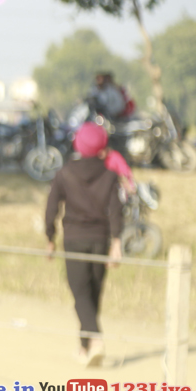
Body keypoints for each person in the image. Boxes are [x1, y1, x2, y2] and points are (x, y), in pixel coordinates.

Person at [45, 121, 123, 366]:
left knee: (80, 293)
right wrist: (116, 243)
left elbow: (51, 208)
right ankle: (84, 347)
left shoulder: (64, 173)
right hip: (100, 239)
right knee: (92, 294)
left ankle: (95, 339)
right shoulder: (110, 175)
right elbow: (116, 211)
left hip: (74, 239)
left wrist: (50, 238)